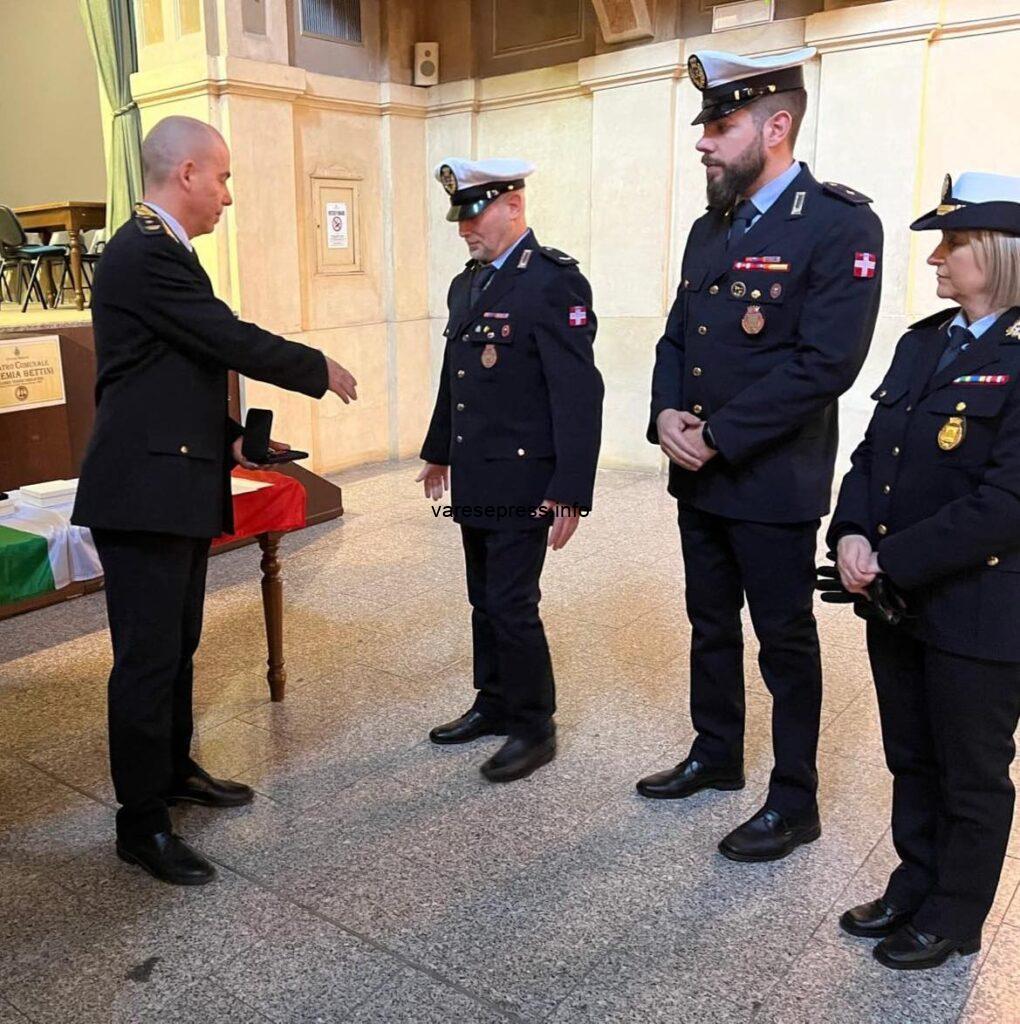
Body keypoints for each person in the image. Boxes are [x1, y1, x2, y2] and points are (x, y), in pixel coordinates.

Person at [71, 116, 358, 885]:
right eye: (224, 178)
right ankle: (141, 824)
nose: (228, 196)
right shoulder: (144, 252)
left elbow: (171, 371)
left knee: (177, 645)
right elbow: (224, 338)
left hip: (175, 477)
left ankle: (171, 772)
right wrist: (314, 366)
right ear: (188, 173)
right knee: (146, 660)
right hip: (141, 492)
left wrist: (235, 439)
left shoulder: (163, 251)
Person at [639, 47, 884, 862]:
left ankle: (795, 798)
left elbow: (827, 363)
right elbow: (678, 335)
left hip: (772, 480)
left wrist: (718, 435)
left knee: (783, 639)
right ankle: (715, 754)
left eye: (721, 123)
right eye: (706, 125)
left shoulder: (841, 224)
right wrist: (667, 414)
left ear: (777, 126)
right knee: (709, 623)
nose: (703, 142)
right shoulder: (712, 227)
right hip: (697, 474)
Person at [829, 172, 1020, 969]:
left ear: (999, 254)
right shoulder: (924, 341)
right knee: (910, 752)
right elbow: (874, 454)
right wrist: (847, 533)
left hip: (982, 608)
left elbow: (1006, 501)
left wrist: (888, 558)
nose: (936, 259)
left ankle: (955, 913)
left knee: (971, 771)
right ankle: (916, 881)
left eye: (952, 245)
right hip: (897, 598)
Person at [417, 157, 604, 783]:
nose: (465, 229)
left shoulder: (552, 282)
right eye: (460, 217)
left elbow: (578, 393)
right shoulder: (466, 284)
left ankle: (534, 725)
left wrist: (571, 491)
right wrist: (438, 448)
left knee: (511, 601)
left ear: (514, 206)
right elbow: (457, 378)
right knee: (482, 598)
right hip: (478, 471)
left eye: (476, 214)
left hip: (527, 477)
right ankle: (493, 702)